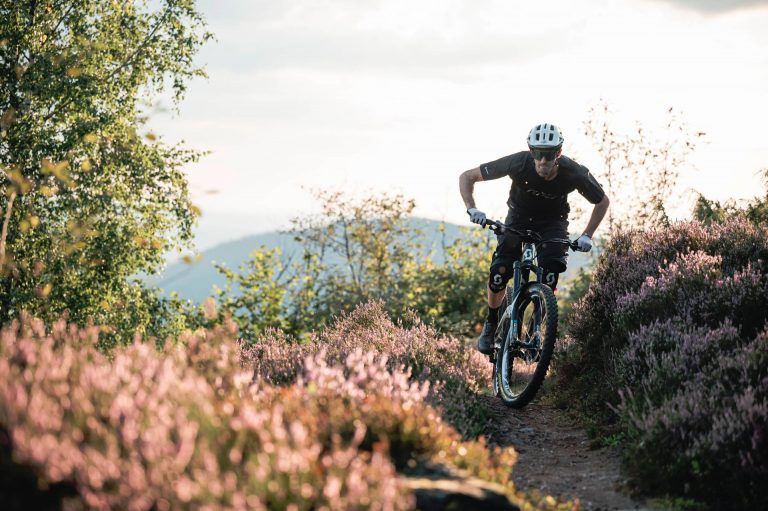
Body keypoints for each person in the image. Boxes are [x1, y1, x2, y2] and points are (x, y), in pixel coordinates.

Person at [459, 123, 610, 354]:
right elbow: (467, 176)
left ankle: (535, 329)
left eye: (548, 155)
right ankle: (491, 323)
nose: (542, 160)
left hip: (553, 223)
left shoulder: (574, 173)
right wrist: (472, 208)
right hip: (518, 218)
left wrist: (588, 235)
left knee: (551, 270)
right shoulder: (518, 163)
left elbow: (602, 202)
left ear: (558, 153)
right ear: (531, 151)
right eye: (537, 153)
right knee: (500, 272)